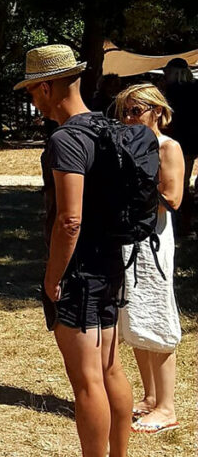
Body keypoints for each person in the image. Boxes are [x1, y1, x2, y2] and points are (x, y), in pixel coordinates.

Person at [16, 44, 133, 457]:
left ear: (48, 87)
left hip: (79, 272)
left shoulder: (66, 140)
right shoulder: (108, 128)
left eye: (33, 91)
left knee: (87, 380)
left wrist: (52, 277)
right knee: (110, 368)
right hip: (110, 264)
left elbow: (69, 220)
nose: (33, 101)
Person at [114, 84, 184, 435]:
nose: (129, 117)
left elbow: (172, 197)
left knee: (156, 313)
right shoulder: (125, 144)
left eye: (136, 110)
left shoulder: (168, 147)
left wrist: (135, 183)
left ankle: (167, 407)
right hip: (128, 239)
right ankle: (150, 396)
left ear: (157, 111)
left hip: (152, 240)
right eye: (125, 111)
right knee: (135, 315)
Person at [163, 58, 197, 234]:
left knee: (176, 184)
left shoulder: (174, 92)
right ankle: (186, 223)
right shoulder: (195, 88)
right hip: (191, 143)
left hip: (179, 143)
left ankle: (182, 224)